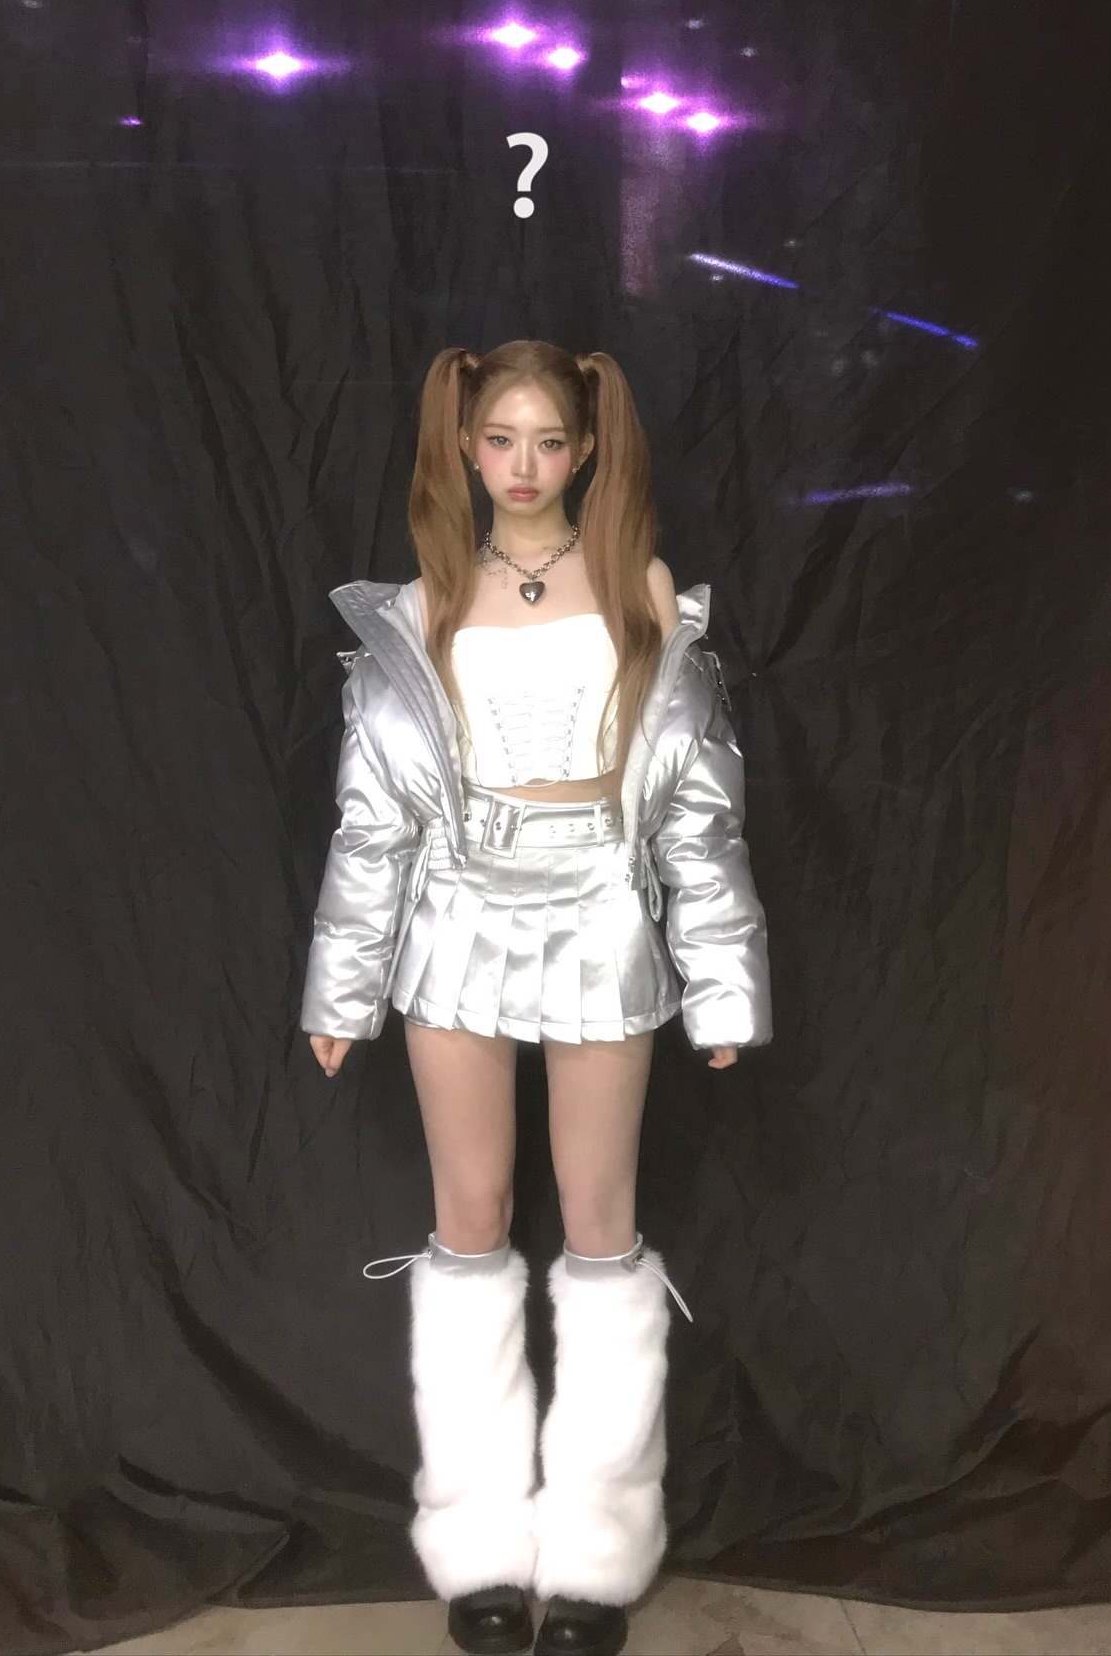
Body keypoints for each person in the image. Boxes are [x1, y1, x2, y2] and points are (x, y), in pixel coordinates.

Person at [300, 340, 772, 1656]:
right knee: (469, 1221)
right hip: (456, 916)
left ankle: (598, 1554)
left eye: (548, 441)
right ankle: (480, 1548)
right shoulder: (424, 603)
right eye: (499, 439)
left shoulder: (641, 588)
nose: (522, 465)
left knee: (602, 1228)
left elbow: (697, 805)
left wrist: (723, 988)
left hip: (603, 913)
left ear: (587, 448)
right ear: (462, 445)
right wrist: (342, 988)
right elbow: (373, 821)